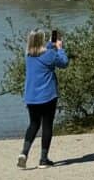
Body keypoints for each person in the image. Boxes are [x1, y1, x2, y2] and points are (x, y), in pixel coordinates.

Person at [17, 29, 68, 169]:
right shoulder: (49, 54)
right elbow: (64, 62)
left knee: (33, 124)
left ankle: (24, 153)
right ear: (41, 41)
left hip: (31, 97)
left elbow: (43, 51)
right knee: (47, 125)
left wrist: (52, 44)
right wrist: (60, 48)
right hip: (47, 95)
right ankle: (43, 159)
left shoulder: (28, 55)